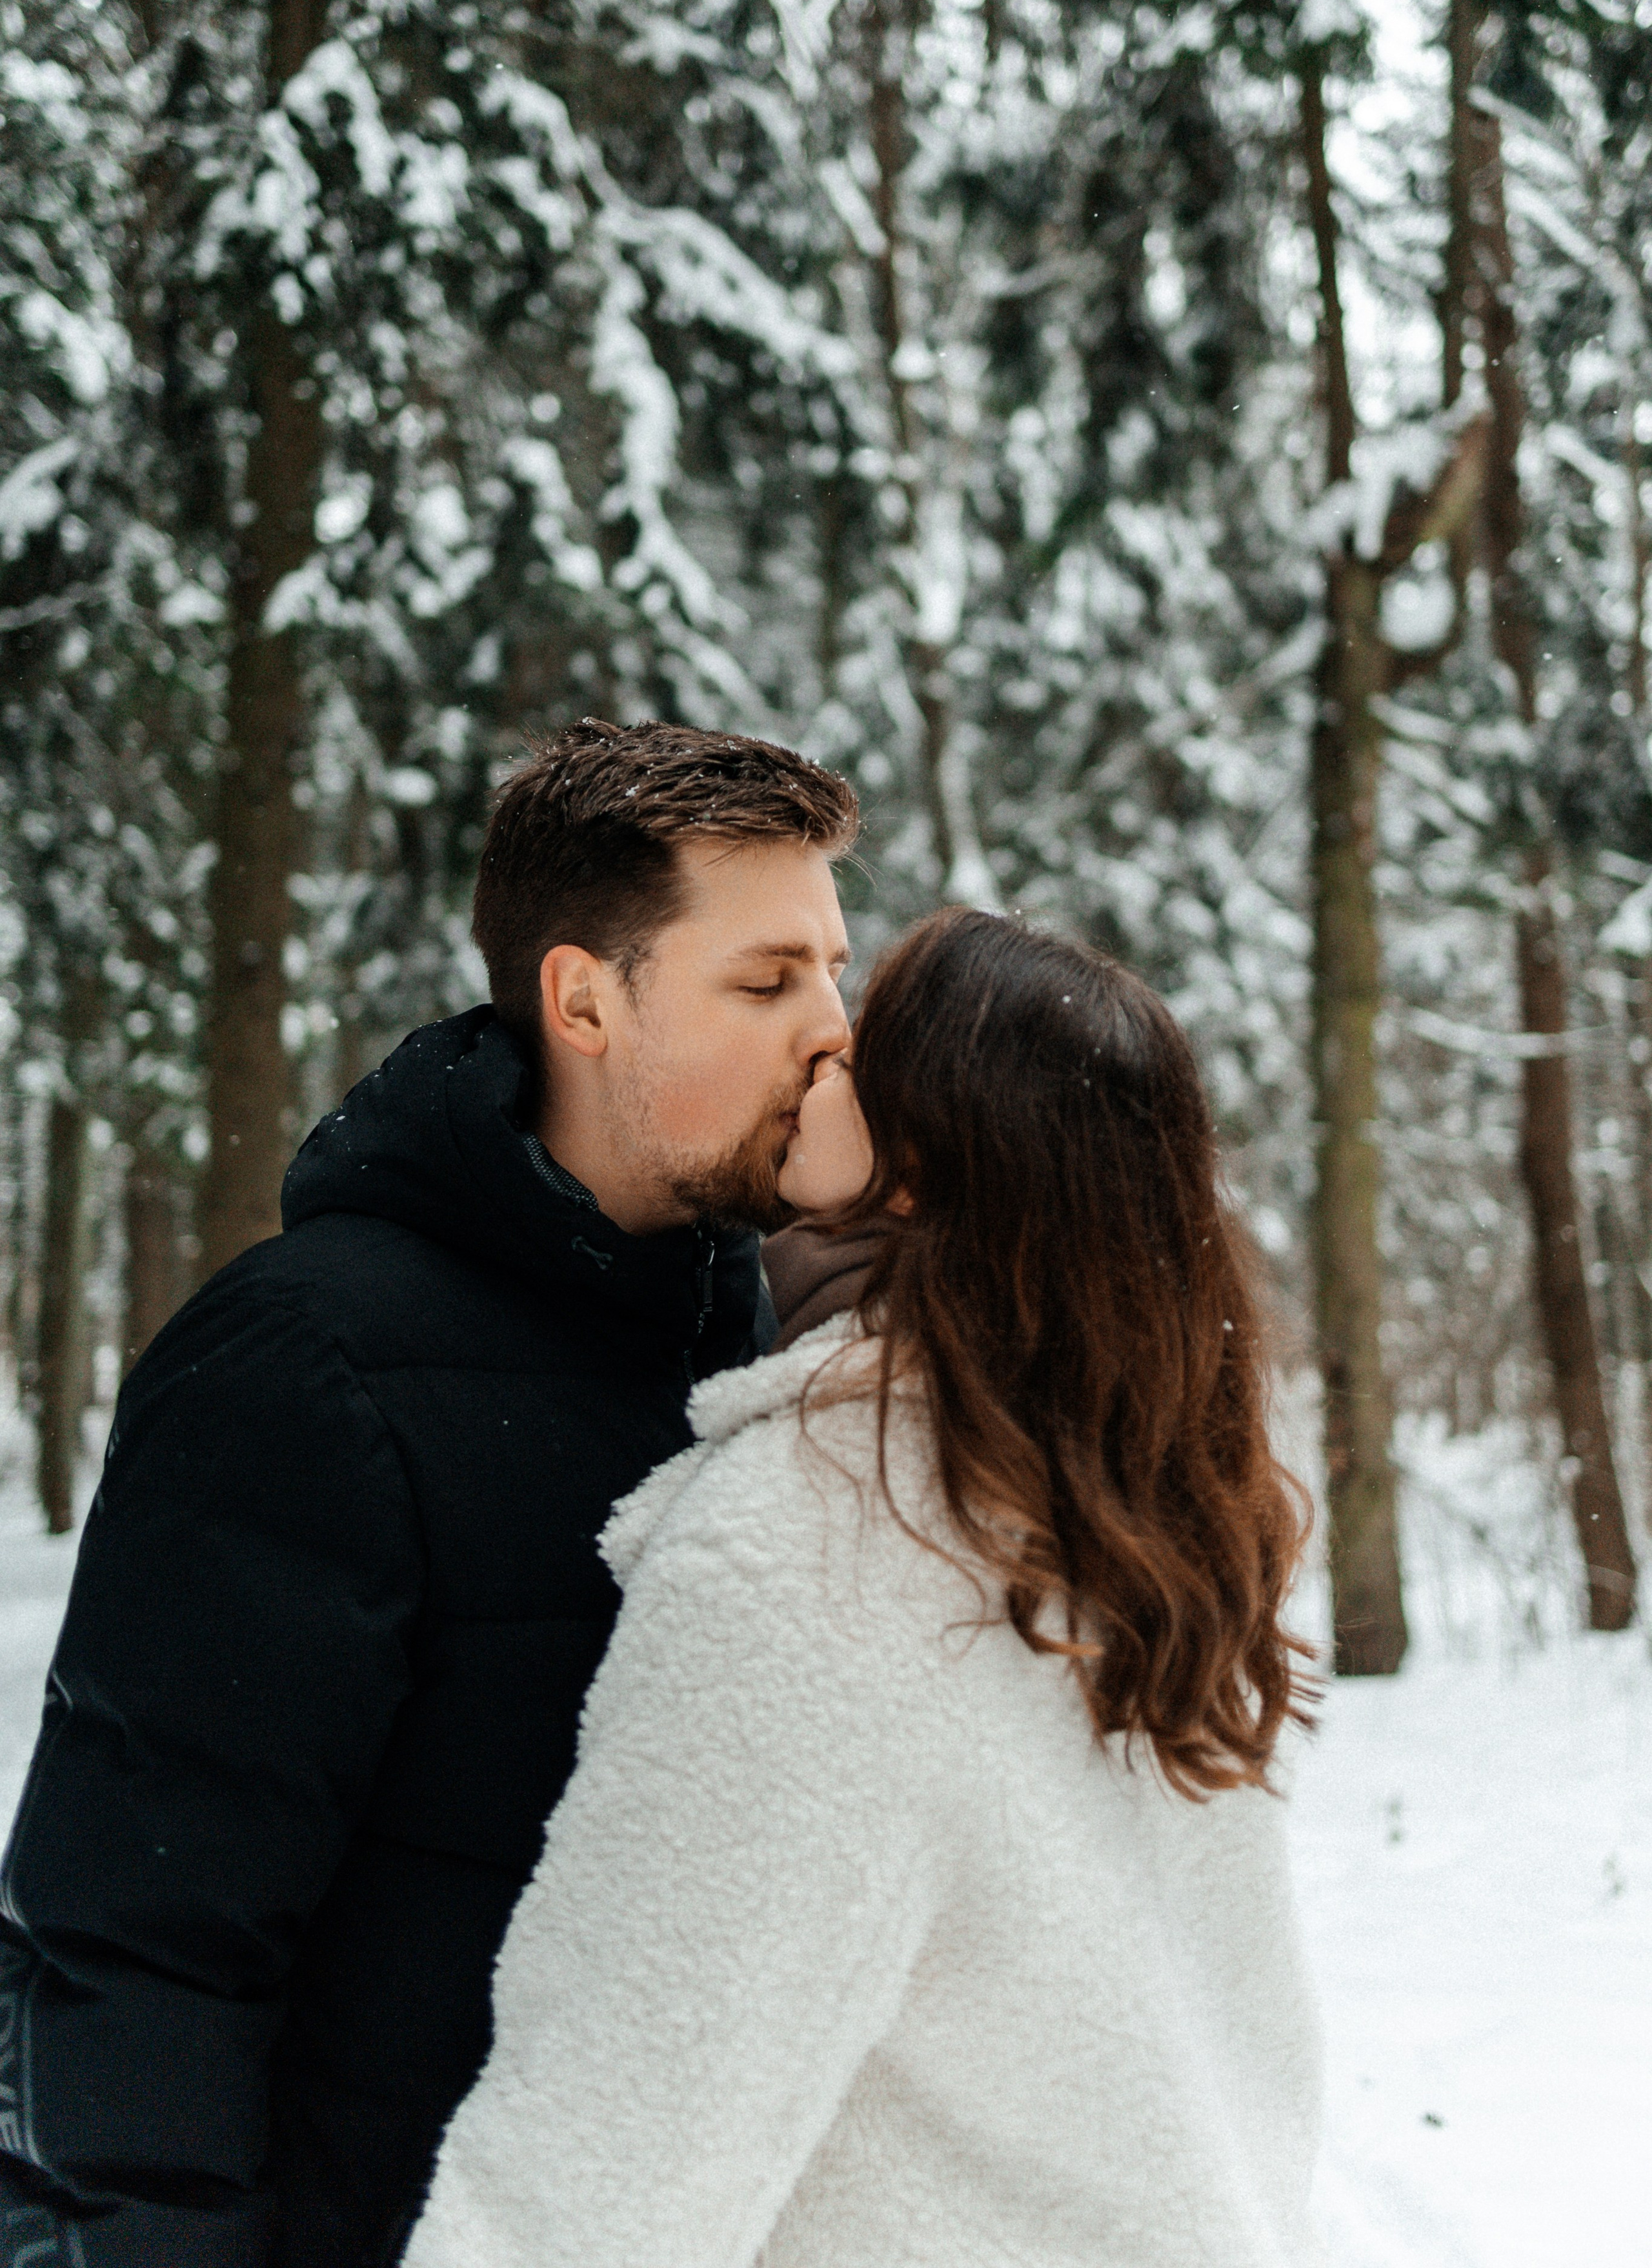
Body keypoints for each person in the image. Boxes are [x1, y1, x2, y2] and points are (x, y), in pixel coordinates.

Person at [0, 718, 860, 2268]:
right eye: (766, 979)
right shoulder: (302, 1363)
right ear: (583, 999)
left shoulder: (773, 1354)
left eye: (831, 969)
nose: (831, 1029)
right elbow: (135, 1962)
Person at [405, 906, 1325, 2268]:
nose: (817, 1049)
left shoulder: (820, 1543)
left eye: (860, 1041)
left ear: (916, 1164)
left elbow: (601, 2164)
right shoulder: (1132, 1529)